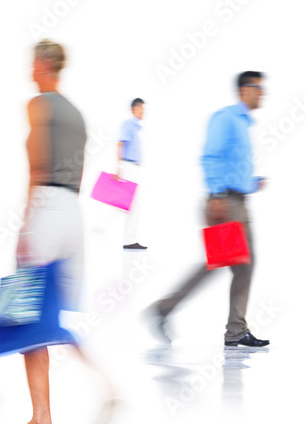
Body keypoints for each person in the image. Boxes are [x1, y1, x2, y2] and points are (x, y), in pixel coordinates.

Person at [18, 40, 111, 424]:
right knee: (52, 318)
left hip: (47, 211)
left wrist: (27, 222)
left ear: (42, 64)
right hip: (73, 212)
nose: (29, 69)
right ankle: (108, 387)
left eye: (31, 63)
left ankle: (42, 415)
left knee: (25, 317)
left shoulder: (39, 105)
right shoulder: (76, 113)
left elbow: (37, 167)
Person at [148, 71, 269, 348]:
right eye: (258, 88)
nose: (262, 93)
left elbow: (230, 164)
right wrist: (215, 195)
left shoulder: (243, 123)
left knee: (243, 266)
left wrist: (251, 182)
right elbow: (210, 156)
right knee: (222, 263)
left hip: (237, 200)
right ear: (244, 89)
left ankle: (235, 329)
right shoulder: (226, 118)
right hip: (224, 202)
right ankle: (164, 308)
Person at [117, 98, 146, 250]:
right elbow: (120, 144)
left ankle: (129, 239)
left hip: (135, 168)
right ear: (134, 109)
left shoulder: (138, 128)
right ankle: (128, 240)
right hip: (128, 167)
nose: (144, 111)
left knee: (133, 205)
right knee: (129, 204)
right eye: (141, 108)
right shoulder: (128, 125)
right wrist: (118, 167)